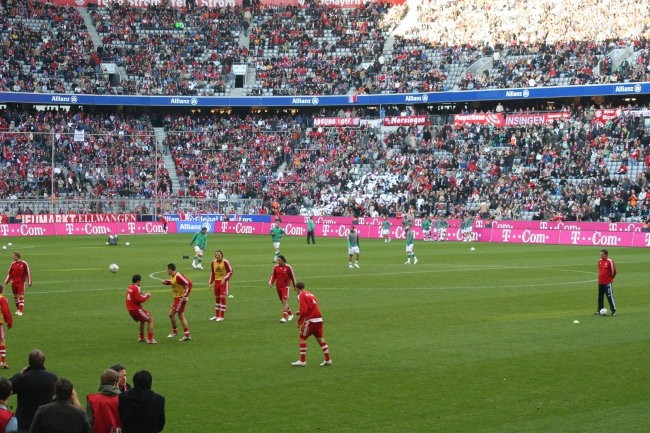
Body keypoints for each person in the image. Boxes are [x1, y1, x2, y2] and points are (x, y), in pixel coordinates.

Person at [10, 350, 57, 433]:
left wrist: (19, 374)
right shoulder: (52, 378)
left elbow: (5, 388)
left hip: (24, 424)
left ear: (29, 361)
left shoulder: (23, 378)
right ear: (43, 361)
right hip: (45, 422)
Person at [291, 282, 332, 367]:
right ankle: (328, 359)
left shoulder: (301, 295)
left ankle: (302, 361)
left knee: (302, 338)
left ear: (296, 288)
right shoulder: (310, 293)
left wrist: (299, 322)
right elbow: (314, 305)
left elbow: (304, 310)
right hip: (319, 319)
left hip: (311, 320)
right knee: (320, 339)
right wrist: (301, 312)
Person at [162, 263, 192, 341]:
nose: (166, 271)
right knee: (181, 315)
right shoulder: (173, 276)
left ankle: (175, 331)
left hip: (180, 298)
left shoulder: (178, 276)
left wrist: (185, 295)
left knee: (171, 314)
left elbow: (189, 284)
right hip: (177, 298)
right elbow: (174, 283)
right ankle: (187, 334)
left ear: (171, 269)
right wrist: (167, 282)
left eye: (167, 269)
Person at [125, 275, 156, 344]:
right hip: (136, 309)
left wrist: (143, 295)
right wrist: (147, 296)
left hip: (130, 309)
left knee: (143, 320)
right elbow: (138, 300)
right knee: (150, 319)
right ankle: (150, 339)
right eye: (140, 281)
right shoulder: (136, 288)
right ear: (138, 281)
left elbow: (136, 296)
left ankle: (141, 337)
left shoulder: (130, 287)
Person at [268, 255, 296, 323]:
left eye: (279, 260)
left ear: (283, 260)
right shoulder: (276, 267)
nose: (278, 261)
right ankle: (291, 314)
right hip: (278, 286)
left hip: (285, 287)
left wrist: (295, 285)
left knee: (284, 301)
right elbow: (273, 275)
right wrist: (271, 282)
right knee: (283, 302)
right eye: (277, 260)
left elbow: (292, 276)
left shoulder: (288, 267)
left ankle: (284, 317)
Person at [208, 250, 233, 322]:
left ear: (222, 255)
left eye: (218, 255)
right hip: (216, 282)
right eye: (216, 255)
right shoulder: (213, 262)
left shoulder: (225, 262)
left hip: (223, 282)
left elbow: (230, 271)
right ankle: (216, 315)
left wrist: (225, 279)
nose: (217, 256)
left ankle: (222, 316)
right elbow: (212, 273)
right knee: (217, 298)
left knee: (222, 297)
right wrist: (210, 283)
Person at [4, 252, 31, 316]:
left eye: (14, 256)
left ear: (17, 256)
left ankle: (21, 311)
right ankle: (18, 309)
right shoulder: (13, 264)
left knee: (21, 297)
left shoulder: (24, 263)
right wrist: (6, 281)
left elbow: (28, 272)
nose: (13, 257)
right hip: (13, 283)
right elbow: (10, 273)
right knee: (15, 297)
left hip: (21, 283)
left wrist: (29, 282)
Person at [596, 249, 617, 316]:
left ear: (606, 254)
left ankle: (613, 310)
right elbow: (600, 270)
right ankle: (599, 310)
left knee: (609, 296)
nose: (600, 255)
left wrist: (610, 279)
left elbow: (614, 272)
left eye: (602, 254)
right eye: (600, 254)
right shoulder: (599, 261)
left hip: (607, 282)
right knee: (600, 296)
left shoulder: (609, 261)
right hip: (601, 282)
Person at [0, 285, 13, 368]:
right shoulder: (2, 299)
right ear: (2, 290)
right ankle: (3, 362)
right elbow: (5, 311)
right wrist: (9, 321)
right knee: (2, 340)